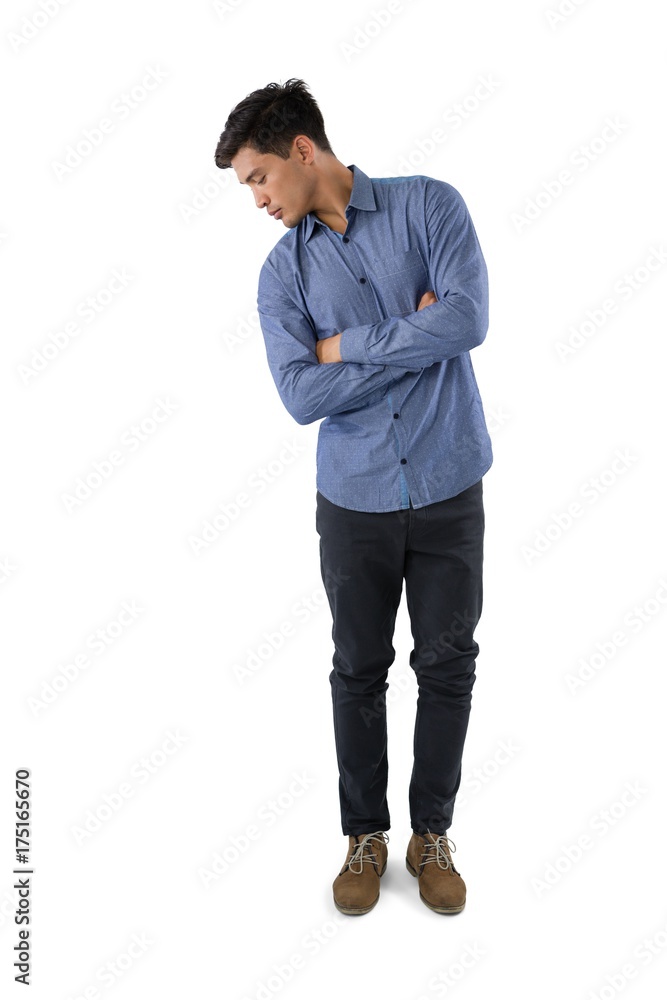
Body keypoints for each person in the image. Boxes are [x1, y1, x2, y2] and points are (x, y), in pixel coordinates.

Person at [214, 78, 492, 916]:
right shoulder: (280, 274)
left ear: (302, 150)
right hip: (353, 499)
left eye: (259, 177)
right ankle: (364, 836)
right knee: (357, 669)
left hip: (447, 481)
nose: (257, 200)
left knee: (447, 664)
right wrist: (414, 338)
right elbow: (300, 396)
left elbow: (468, 321)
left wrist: (344, 347)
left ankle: (430, 834)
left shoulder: (429, 207)